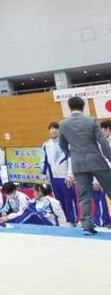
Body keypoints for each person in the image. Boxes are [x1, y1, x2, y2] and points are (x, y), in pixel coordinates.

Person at [58, 96, 111, 236]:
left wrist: (72, 154)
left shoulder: (63, 124)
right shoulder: (91, 120)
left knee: (84, 196)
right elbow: (103, 143)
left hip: (78, 163)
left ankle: (87, 226)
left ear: (70, 107)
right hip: (96, 160)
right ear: (84, 107)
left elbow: (62, 145)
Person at [40, 122, 76, 225]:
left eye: (56, 128)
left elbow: (71, 160)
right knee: (59, 201)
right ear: (49, 131)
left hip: (65, 177)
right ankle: (63, 219)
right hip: (54, 178)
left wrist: (70, 175)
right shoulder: (46, 145)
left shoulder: (67, 143)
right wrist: (43, 174)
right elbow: (44, 161)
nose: (54, 130)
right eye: (51, 128)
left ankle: (72, 220)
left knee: (69, 200)